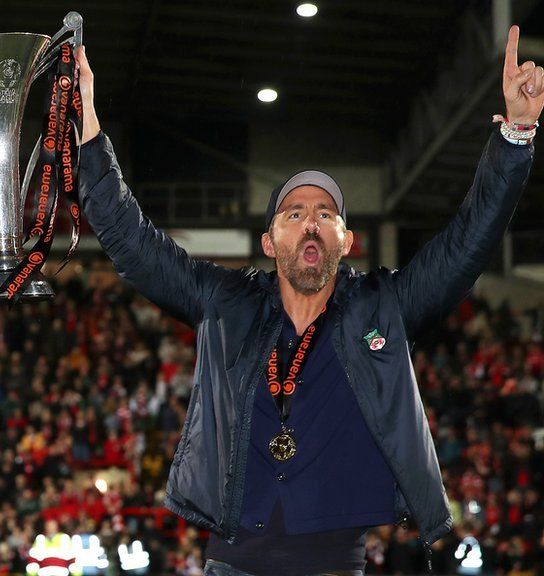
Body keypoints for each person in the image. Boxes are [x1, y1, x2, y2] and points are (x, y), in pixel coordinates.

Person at [72, 24, 541, 576]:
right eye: (294, 214)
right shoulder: (225, 303)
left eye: (325, 214)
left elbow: (467, 244)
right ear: (270, 243)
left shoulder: (383, 306)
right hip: (232, 563)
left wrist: (515, 133)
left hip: (336, 564)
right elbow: (133, 242)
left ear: (346, 240)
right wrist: (87, 128)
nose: (311, 222)